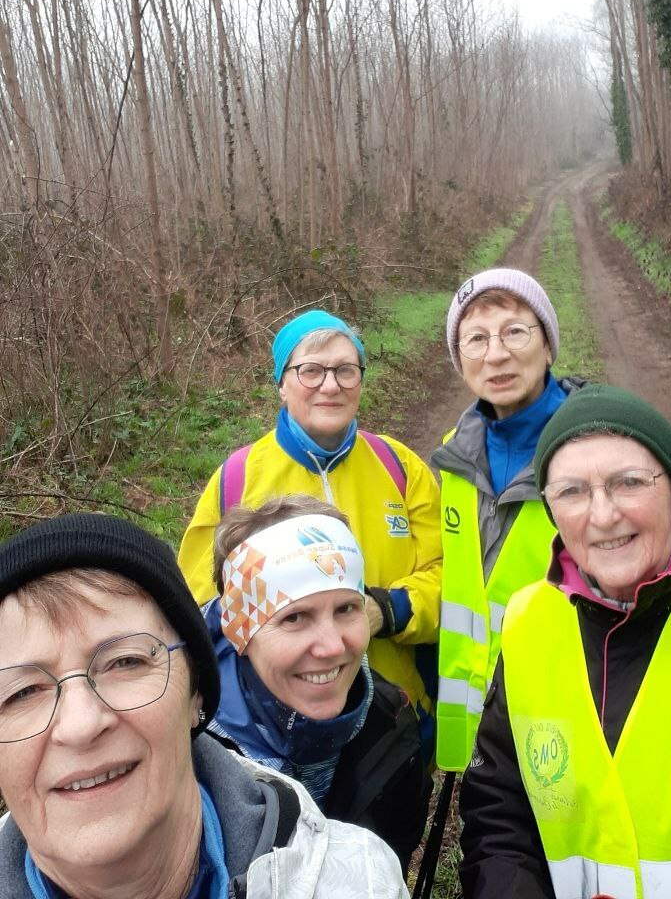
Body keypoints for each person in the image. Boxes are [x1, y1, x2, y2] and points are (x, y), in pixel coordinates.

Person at [0, 513, 410, 899]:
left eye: (125, 662)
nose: (81, 724)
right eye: (21, 692)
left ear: (195, 687)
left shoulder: (364, 879)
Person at [459, 384, 671, 899]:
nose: (602, 515)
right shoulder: (529, 620)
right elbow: (500, 810)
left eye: (629, 483)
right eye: (572, 492)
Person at [179, 309, 442, 758]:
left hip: (395, 719)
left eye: (345, 370)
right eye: (311, 371)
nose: (331, 385)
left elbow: (449, 576)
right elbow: (200, 608)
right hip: (272, 733)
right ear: (282, 385)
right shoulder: (237, 479)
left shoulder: (400, 467)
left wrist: (387, 610)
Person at [203, 494, 432, 876]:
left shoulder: (391, 725)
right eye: (294, 618)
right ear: (239, 631)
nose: (332, 647)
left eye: (346, 608)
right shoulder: (184, 750)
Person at [432, 268, 583, 772]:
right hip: (479, 719)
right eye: (476, 339)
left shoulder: (593, 451)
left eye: (515, 331)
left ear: (548, 345)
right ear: (460, 361)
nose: (496, 354)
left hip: (571, 715)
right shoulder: (456, 455)